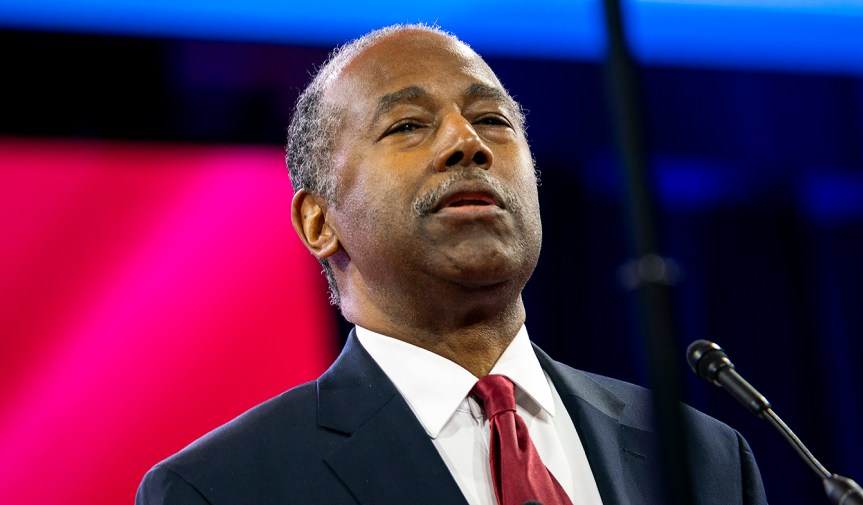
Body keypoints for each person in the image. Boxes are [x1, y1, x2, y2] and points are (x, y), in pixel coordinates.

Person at [136, 23, 767, 505]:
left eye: (492, 120)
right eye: (408, 125)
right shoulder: (223, 487)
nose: (468, 142)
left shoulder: (705, 459)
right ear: (319, 223)